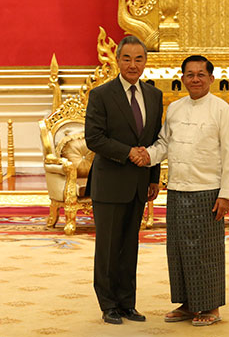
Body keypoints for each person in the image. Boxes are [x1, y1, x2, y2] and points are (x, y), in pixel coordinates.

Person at [132, 55, 229, 326]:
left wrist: (226, 194)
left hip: (208, 191)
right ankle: (188, 304)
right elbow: (164, 144)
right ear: (182, 79)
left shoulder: (222, 110)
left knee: (206, 251)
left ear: (211, 78)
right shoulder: (176, 108)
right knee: (178, 250)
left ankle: (210, 307)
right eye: (189, 75)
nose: (195, 79)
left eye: (201, 74)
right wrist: (148, 156)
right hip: (178, 189)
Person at [84, 35, 163, 325]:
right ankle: (108, 305)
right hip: (109, 183)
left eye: (139, 58)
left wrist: (154, 176)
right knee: (107, 248)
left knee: (130, 246)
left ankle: (128, 303)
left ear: (145, 62)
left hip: (140, 184)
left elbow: (155, 139)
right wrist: (128, 153)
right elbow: (94, 138)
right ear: (117, 61)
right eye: (127, 58)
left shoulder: (154, 95)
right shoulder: (102, 95)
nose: (133, 64)